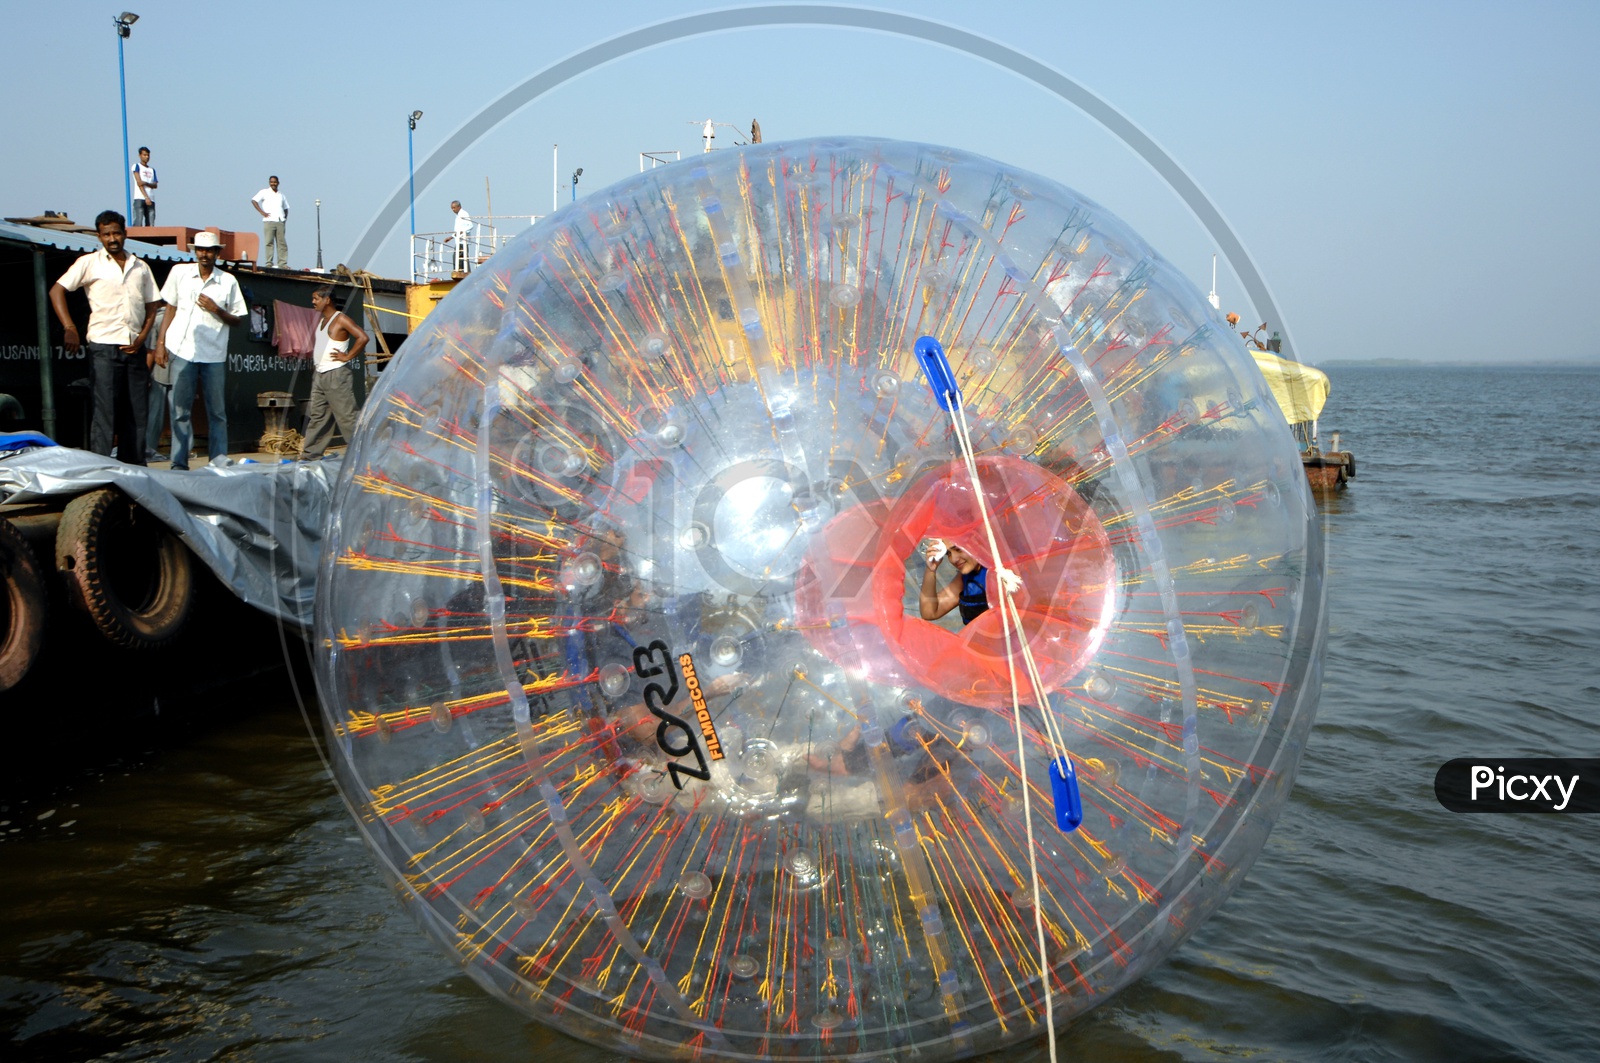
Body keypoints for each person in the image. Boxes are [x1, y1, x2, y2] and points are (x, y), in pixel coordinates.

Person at [48, 210, 160, 463]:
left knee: (136, 413)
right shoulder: (89, 263)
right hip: (103, 346)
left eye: (116, 233)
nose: (112, 239)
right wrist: (70, 327)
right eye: (106, 234)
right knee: (106, 412)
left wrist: (143, 337)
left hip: (134, 347)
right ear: (99, 236)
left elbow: (153, 305)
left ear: (125, 234)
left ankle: (135, 470)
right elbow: (57, 290)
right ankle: (103, 471)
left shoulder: (140, 266)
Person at [156, 231, 246, 470]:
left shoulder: (228, 281)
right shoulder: (180, 273)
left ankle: (217, 460)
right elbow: (170, 309)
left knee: (216, 411)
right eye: (200, 250)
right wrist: (160, 344)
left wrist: (217, 309)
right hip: (182, 350)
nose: (204, 255)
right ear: (194, 251)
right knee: (179, 410)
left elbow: (238, 319)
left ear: (217, 253)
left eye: (209, 250)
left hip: (213, 354)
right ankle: (179, 463)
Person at [299, 285, 369, 459]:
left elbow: (363, 337)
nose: (313, 302)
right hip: (320, 375)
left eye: (316, 298)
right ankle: (310, 456)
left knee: (346, 416)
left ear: (327, 300)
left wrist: (348, 356)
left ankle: (363, 455)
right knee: (317, 416)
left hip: (336, 375)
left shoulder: (340, 319)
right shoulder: (323, 320)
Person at [918, 539, 989, 625]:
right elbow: (929, 612)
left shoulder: (1001, 573)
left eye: (958, 549)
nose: (954, 559)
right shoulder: (965, 578)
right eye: (948, 553)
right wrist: (930, 570)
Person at [144, 304, 169, 462]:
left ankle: (149, 449)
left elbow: (150, 351)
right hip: (167, 371)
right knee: (180, 414)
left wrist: (145, 373)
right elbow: (152, 350)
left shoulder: (157, 319)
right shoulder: (161, 319)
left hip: (162, 372)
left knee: (155, 414)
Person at [251, 175, 289, 268]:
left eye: (275, 182)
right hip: (269, 220)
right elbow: (254, 200)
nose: (273, 184)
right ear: (269, 183)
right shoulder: (264, 192)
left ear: (278, 183)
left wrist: (284, 218)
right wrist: (262, 212)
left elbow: (286, 208)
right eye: (271, 182)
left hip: (280, 221)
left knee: (282, 243)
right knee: (269, 242)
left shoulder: (281, 195)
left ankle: (282, 263)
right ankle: (269, 263)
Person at [130, 147, 157, 226]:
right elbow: (139, 182)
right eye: (144, 155)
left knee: (150, 222)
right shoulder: (136, 166)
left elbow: (155, 185)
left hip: (151, 198)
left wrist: (146, 183)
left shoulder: (152, 170)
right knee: (138, 220)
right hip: (140, 197)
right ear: (140, 155)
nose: (147, 157)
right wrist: (146, 197)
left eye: (148, 155)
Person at [445, 200, 473, 274]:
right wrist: (451, 237)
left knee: (458, 256)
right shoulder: (458, 216)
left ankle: (460, 271)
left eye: (454, 208)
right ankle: (463, 271)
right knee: (461, 257)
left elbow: (470, 225)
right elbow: (457, 231)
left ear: (459, 207)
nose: (453, 210)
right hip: (459, 240)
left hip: (463, 240)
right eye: (452, 208)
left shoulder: (464, 214)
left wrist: (462, 232)